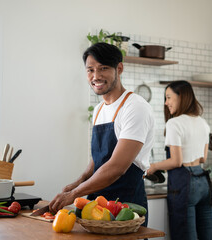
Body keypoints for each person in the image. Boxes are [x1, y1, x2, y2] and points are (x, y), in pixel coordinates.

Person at [49, 43, 154, 226]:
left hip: (125, 207)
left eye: (103, 68)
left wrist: (75, 194)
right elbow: (100, 158)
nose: (96, 76)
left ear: (119, 68)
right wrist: (78, 182)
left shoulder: (135, 107)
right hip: (97, 204)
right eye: (90, 70)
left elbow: (116, 167)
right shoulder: (99, 109)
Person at [147, 80, 212, 240]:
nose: (166, 103)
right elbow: (203, 158)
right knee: (207, 235)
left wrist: (154, 166)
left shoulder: (174, 123)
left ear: (182, 97)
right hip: (203, 182)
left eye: (169, 97)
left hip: (184, 184)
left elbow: (176, 161)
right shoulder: (203, 123)